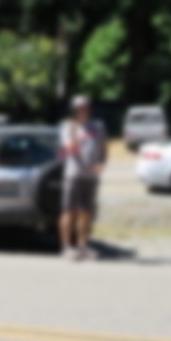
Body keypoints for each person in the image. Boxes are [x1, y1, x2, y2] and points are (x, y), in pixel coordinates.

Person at [59, 95, 108, 261]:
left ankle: (83, 246)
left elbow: (103, 147)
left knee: (86, 213)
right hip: (73, 174)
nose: (83, 110)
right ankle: (67, 247)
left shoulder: (97, 126)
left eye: (86, 107)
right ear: (74, 110)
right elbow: (71, 149)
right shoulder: (68, 127)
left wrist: (102, 162)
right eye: (79, 107)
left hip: (91, 176)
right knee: (69, 211)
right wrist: (74, 131)